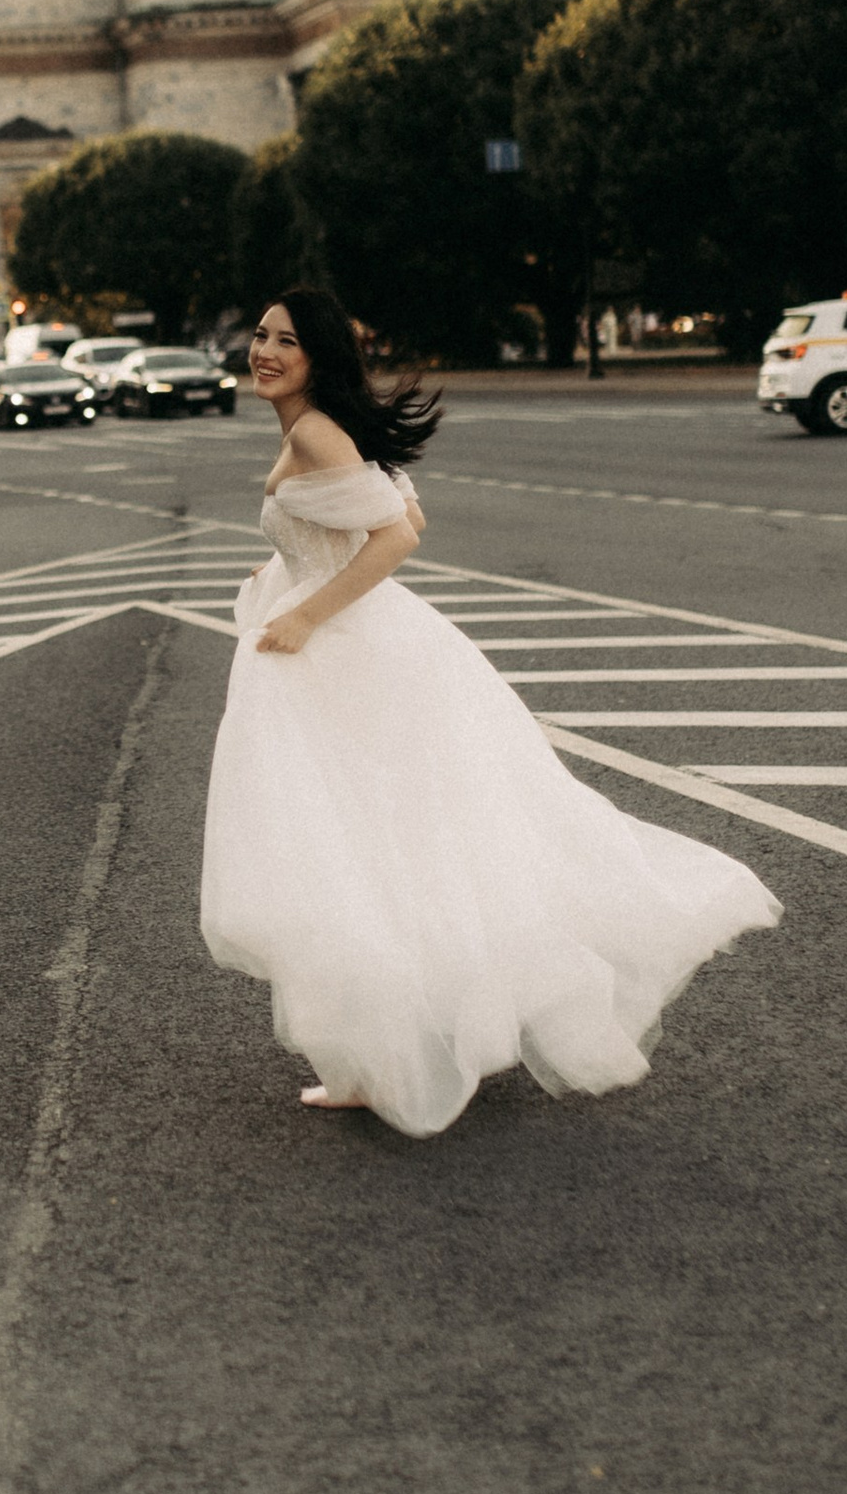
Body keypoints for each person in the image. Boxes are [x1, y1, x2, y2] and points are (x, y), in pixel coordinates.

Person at [201, 285, 778, 1134]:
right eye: (260, 335)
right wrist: (287, 573)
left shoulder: (318, 432)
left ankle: (389, 1056)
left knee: (356, 846)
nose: (265, 351)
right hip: (361, 648)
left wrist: (306, 612)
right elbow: (393, 513)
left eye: (286, 340)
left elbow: (399, 535)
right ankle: (403, 1040)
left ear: (319, 356)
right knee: (394, 840)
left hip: (344, 652)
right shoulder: (317, 429)